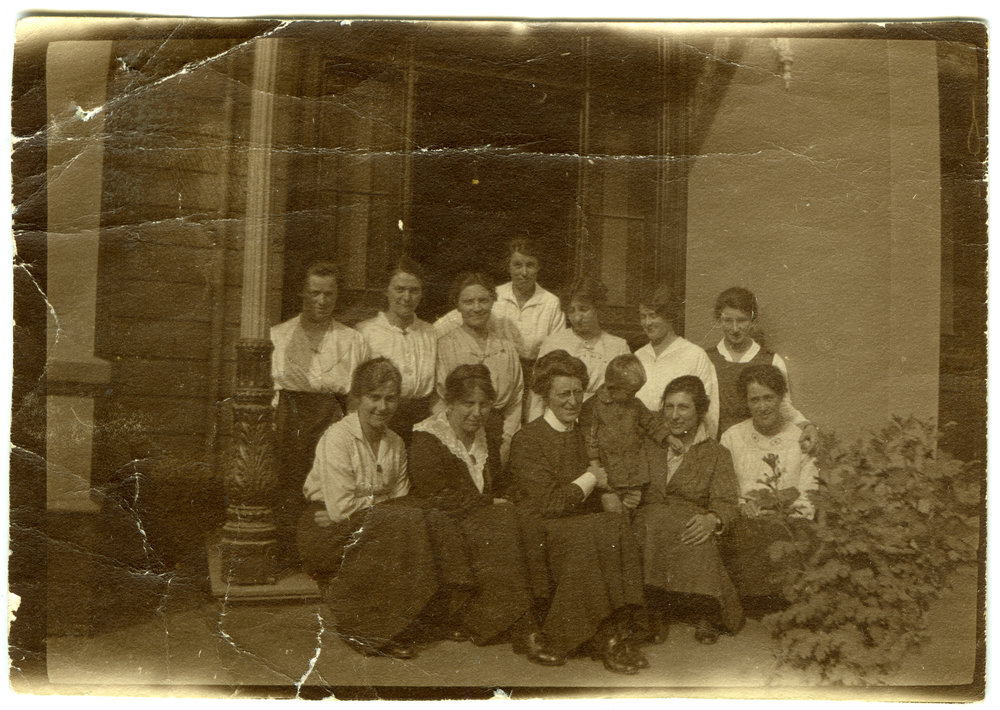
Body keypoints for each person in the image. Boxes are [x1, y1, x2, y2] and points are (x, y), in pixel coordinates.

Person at [297, 358, 474, 660]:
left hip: (371, 522)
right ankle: (373, 631)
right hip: (325, 529)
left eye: (390, 398)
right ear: (357, 398)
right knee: (401, 522)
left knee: (419, 519)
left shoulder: (395, 443)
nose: (382, 406)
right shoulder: (338, 437)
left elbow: (403, 498)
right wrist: (383, 506)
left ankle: (423, 617)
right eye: (374, 397)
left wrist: (379, 508)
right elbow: (340, 510)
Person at [407, 364, 558, 664]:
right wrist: (489, 505)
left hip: (478, 520)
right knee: (502, 522)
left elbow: (496, 483)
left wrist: (513, 499)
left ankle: (539, 614)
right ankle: (524, 628)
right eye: (468, 404)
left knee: (524, 517)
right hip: (445, 528)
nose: (477, 412)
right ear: (449, 403)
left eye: (484, 404)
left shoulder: (483, 435)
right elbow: (437, 496)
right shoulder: (427, 438)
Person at [509, 350, 647, 675]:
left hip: (577, 528)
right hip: (543, 532)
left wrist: (610, 493)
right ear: (545, 395)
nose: (573, 401)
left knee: (612, 526)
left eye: (578, 392)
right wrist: (591, 479)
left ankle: (617, 631)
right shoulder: (527, 438)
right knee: (594, 531)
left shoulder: (584, 433)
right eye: (563, 394)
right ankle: (596, 638)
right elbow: (549, 504)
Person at [270, 260, 370, 566]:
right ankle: (288, 553)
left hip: (333, 417)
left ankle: (321, 555)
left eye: (329, 294)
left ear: (337, 295)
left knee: (328, 486)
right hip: (291, 418)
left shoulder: (351, 340)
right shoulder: (279, 336)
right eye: (315, 293)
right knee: (290, 485)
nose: (322, 301)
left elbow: (356, 395)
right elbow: (272, 391)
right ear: (303, 292)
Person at [633, 376, 744, 645]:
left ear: (700, 412)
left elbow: (727, 501)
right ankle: (654, 609)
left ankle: (707, 610)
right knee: (653, 522)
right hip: (649, 520)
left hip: (689, 522)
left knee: (696, 532)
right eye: (668, 407)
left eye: (683, 407)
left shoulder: (716, 453)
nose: (674, 415)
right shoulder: (650, 445)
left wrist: (712, 519)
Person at [719, 364, 819, 604]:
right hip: (746, 521)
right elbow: (725, 488)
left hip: (788, 521)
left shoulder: (800, 438)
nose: (762, 407)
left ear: (782, 398)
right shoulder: (732, 437)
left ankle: (783, 604)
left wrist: (782, 509)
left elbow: (809, 493)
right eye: (754, 400)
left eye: (768, 398)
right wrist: (741, 505)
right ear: (746, 402)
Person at [435, 238, 565, 413]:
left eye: (530, 265)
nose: (524, 272)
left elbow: (555, 350)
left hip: (536, 378)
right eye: (517, 265)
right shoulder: (494, 295)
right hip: (499, 372)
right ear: (508, 266)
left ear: (538, 267)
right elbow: (453, 320)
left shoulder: (551, 303)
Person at [708, 286, 817, 451]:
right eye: (728, 320)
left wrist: (805, 425)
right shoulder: (705, 359)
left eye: (742, 320)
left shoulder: (771, 360)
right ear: (719, 320)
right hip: (716, 446)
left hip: (757, 447)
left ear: (753, 320)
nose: (735, 328)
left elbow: (783, 405)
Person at [435, 272, 524, 466]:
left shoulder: (506, 348)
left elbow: (516, 400)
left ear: (493, 301)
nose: (476, 308)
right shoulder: (445, 346)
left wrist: (507, 441)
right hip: (457, 436)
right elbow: (441, 400)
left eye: (483, 300)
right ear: (458, 305)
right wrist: (455, 441)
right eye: (468, 302)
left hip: (499, 437)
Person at [356, 257, 437, 445]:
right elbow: (355, 394)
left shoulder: (431, 333)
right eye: (399, 289)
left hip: (422, 423)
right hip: (379, 420)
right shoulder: (365, 333)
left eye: (414, 291)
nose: (407, 298)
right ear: (387, 290)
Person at [579, 354, 672, 514]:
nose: (634, 396)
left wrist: (667, 437)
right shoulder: (593, 407)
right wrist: (594, 462)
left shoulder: (634, 404)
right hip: (610, 473)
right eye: (630, 393)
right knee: (613, 511)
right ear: (612, 386)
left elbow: (650, 422)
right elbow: (590, 438)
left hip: (635, 472)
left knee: (631, 509)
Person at [528, 276, 630, 421]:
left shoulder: (618, 346)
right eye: (571, 310)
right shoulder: (553, 343)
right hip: (558, 424)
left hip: (603, 423)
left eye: (583, 309)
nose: (577, 317)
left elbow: (625, 398)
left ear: (597, 308)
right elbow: (537, 398)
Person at [634, 282, 721, 437]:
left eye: (653, 316)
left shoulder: (694, 355)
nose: (647, 323)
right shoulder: (638, 357)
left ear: (669, 316)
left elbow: (708, 413)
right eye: (643, 316)